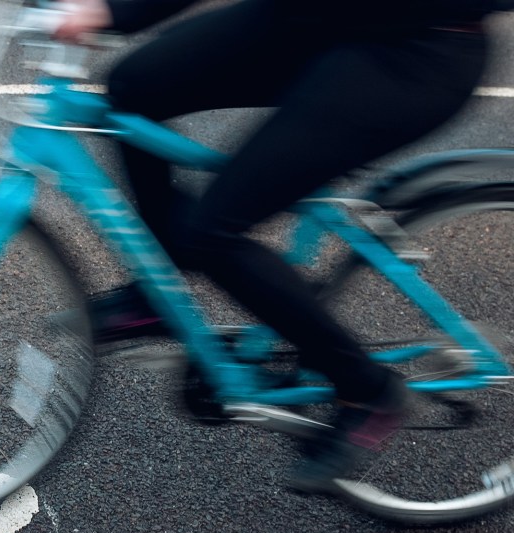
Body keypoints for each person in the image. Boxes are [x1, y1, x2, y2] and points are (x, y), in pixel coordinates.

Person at [53, 0, 498, 493]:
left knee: (212, 232)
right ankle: (162, 287)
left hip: (412, 50)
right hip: (307, 19)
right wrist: (111, 10)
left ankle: (367, 390)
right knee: (134, 88)